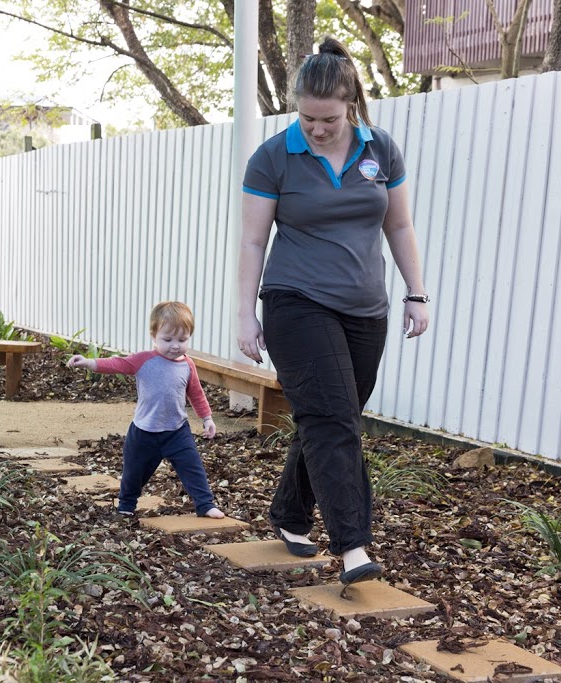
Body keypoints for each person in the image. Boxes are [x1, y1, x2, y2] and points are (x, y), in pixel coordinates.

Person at [236, 37, 429, 586]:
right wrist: (246, 314)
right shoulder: (274, 155)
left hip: (366, 308)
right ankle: (353, 547)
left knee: (330, 416)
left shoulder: (381, 150)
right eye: (306, 117)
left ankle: (290, 513)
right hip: (295, 301)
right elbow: (253, 242)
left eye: (327, 118)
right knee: (333, 420)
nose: (316, 129)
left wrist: (416, 292)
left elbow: (398, 225)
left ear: (350, 105)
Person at [67, 301, 225, 519]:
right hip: (144, 432)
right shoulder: (143, 360)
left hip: (177, 431)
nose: (175, 346)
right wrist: (89, 362)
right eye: (167, 340)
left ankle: (205, 504)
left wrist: (207, 418)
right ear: (154, 336)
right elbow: (116, 364)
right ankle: (126, 505)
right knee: (134, 472)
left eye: (182, 339)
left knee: (193, 467)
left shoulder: (187, 365)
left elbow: (196, 393)